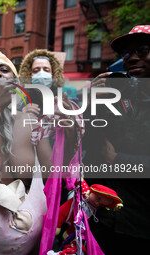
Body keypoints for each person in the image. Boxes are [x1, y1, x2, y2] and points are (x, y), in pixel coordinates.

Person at [0, 49, 77, 255]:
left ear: (15, 81)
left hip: (30, 242)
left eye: (4, 70)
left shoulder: (27, 120)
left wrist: (67, 134)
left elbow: (51, 176)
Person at [84, 25, 150, 254]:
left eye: (141, 50)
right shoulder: (118, 99)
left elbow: (109, 155)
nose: (132, 58)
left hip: (141, 226)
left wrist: (118, 159)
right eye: (126, 54)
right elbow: (88, 148)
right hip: (102, 220)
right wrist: (92, 105)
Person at [19, 49, 66, 116]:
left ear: (54, 74)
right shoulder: (21, 102)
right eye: (36, 70)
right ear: (29, 75)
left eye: (46, 70)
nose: (41, 73)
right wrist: (21, 114)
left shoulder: (63, 101)